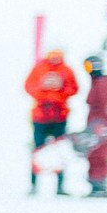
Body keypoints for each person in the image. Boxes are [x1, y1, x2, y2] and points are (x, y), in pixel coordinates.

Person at [24, 49, 79, 194]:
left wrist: (59, 91)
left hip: (59, 116)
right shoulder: (39, 69)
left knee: (60, 150)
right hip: (41, 116)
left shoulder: (66, 70)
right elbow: (29, 87)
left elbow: (74, 88)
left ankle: (60, 185)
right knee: (38, 150)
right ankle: (34, 184)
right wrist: (44, 89)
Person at [81, 53, 107, 198]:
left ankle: (99, 186)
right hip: (96, 125)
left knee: (99, 155)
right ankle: (95, 184)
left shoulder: (102, 83)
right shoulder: (97, 82)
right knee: (93, 154)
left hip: (101, 126)